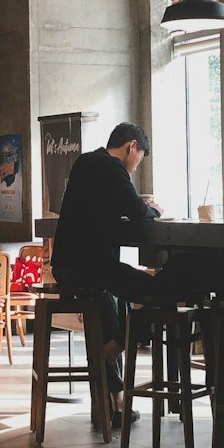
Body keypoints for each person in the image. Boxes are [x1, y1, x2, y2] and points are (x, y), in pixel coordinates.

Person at [50, 123, 174, 422]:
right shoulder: (110, 167)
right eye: (139, 159)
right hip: (92, 268)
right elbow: (137, 211)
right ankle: (110, 351)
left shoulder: (85, 162)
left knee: (109, 316)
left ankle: (113, 405)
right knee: (161, 293)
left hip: (70, 265)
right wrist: (153, 208)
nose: (135, 166)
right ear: (131, 147)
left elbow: (105, 208)